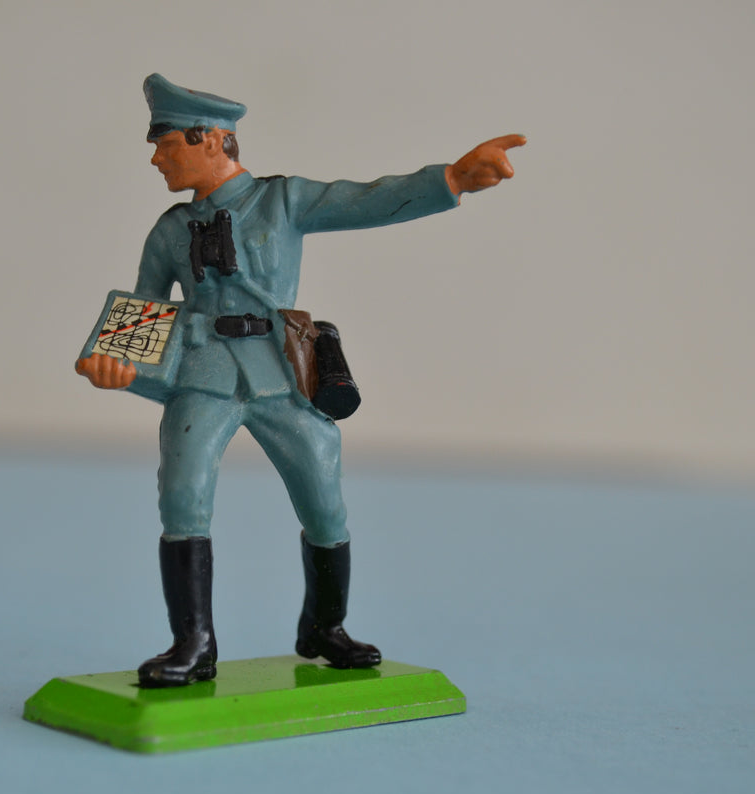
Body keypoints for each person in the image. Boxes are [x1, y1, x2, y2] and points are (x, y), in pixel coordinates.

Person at [76, 73, 524, 687]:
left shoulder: (282, 201)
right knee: (182, 495)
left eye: (167, 144)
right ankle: (194, 642)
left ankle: (323, 626)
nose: (157, 159)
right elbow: (145, 307)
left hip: (280, 375)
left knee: (324, 499)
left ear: (212, 139)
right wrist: (113, 361)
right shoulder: (170, 231)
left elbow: (367, 199)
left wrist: (450, 179)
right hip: (204, 377)